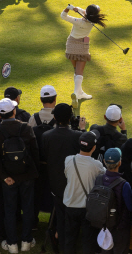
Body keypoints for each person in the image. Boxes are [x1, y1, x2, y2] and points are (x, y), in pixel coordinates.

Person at [0, 97, 41, 253]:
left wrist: (5, 177)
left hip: (8, 179)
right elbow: (35, 153)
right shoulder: (26, 127)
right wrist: (31, 173)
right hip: (26, 176)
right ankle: (26, 241)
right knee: (27, 208)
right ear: (14, 111)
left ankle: (12, 244)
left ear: (0, 114)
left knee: (10, 210)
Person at [42, 102, 83, 251]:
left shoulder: (46, 136)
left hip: (56, 185)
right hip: (72, 185)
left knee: (62, 218)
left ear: (54, 117)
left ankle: (62, 244)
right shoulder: (78, 136)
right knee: (71, 221)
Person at [63, 130, 106, 254]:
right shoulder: (96, 165)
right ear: (94, 148)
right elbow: (103, 174)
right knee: (88, 240)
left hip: (70, 205)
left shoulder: (68, 160)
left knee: (70, 239)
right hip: (87, 208)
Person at [62, 4, 106, 102]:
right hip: (83, 44)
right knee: (79, 71)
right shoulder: (93, 21)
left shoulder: (77, 21)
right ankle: (77, 93)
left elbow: (63, 16)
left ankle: (79, 92)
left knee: (76, 70)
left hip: (71, 45)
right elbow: (86, 13)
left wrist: (68, 8)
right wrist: (79, 10)